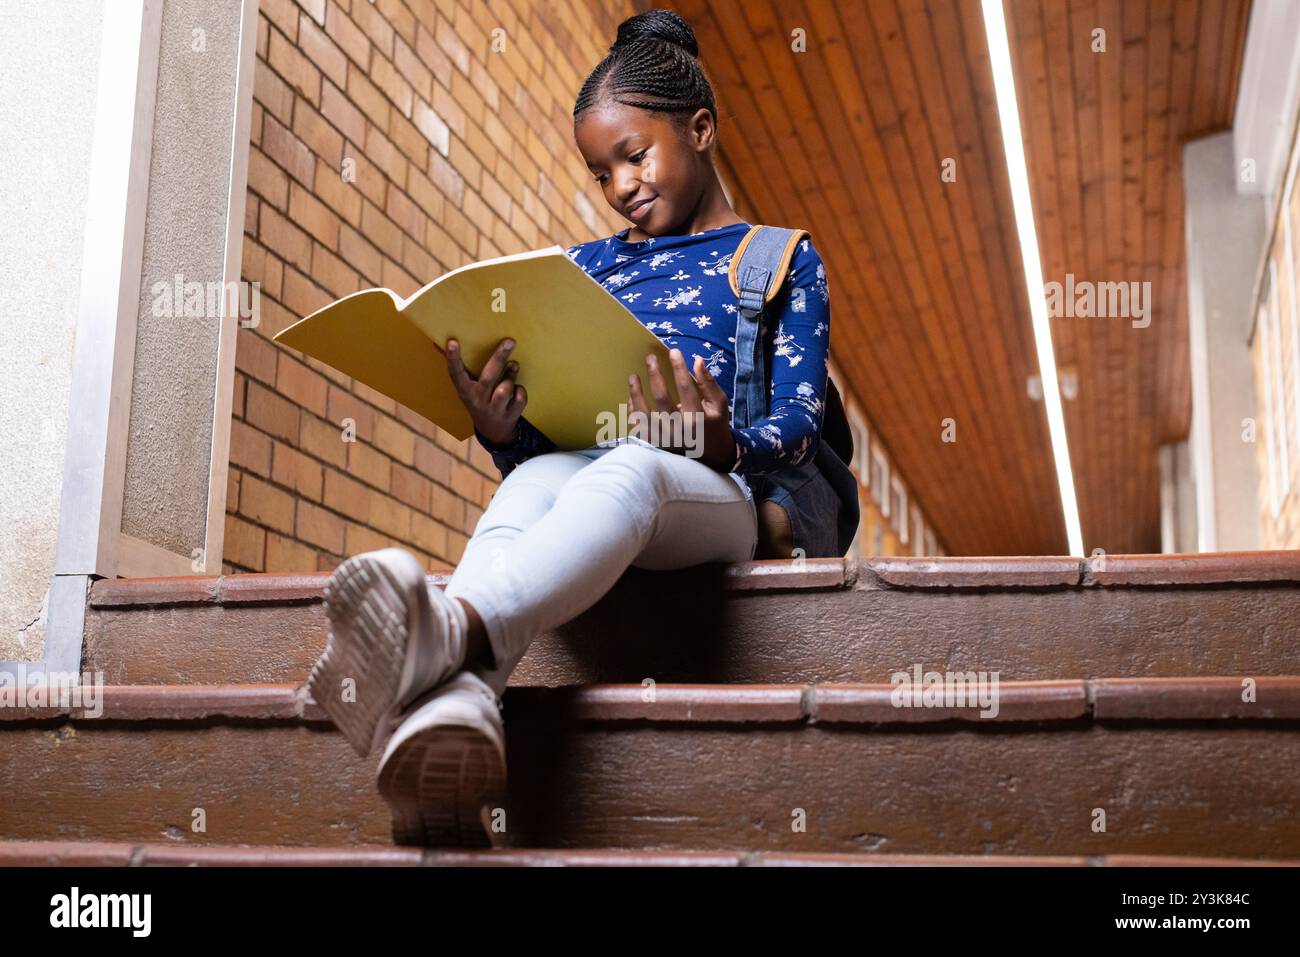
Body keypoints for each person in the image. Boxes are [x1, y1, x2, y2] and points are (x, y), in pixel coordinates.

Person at [306, 8, 835, 847]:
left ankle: (449, 629)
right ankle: (462, 705)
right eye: (602, 174)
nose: (622, 185)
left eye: (636, 155)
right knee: (531, 480)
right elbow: (549, 439)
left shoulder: (775, 259)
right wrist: (500, 428)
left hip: (711, 489)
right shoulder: (587, 266)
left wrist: (725, 439)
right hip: (585, 467)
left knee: (635, 469)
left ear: (700, 129)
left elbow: (800, 424)